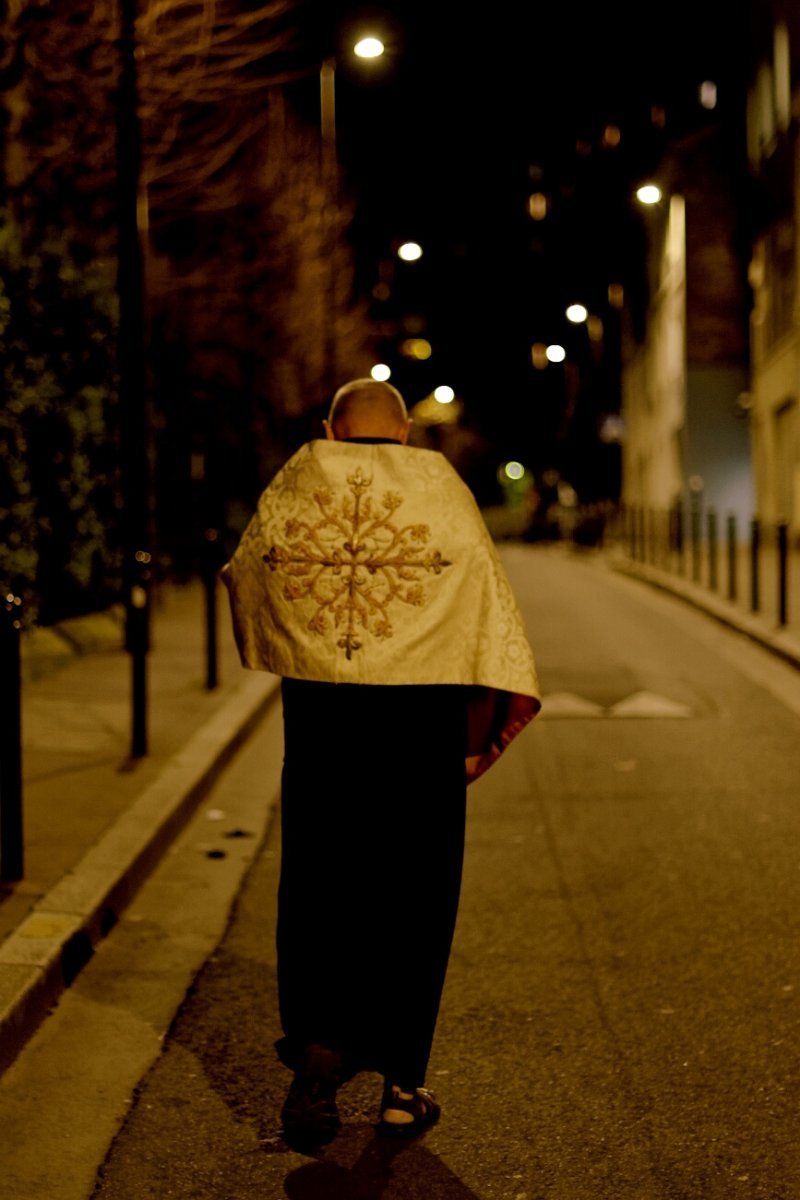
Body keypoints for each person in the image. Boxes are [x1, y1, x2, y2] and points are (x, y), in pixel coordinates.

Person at [221, 378, 540, 1150]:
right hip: (418, 731)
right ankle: (402, 1083)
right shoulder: (442, 488)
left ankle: (320, 1055)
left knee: (322, 886)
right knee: (415, 893)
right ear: (402, 435)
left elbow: (247, 569)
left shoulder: (298, 478)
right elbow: (482, 598)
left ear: (332, 427)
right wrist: (476, 724)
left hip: (326, 728)